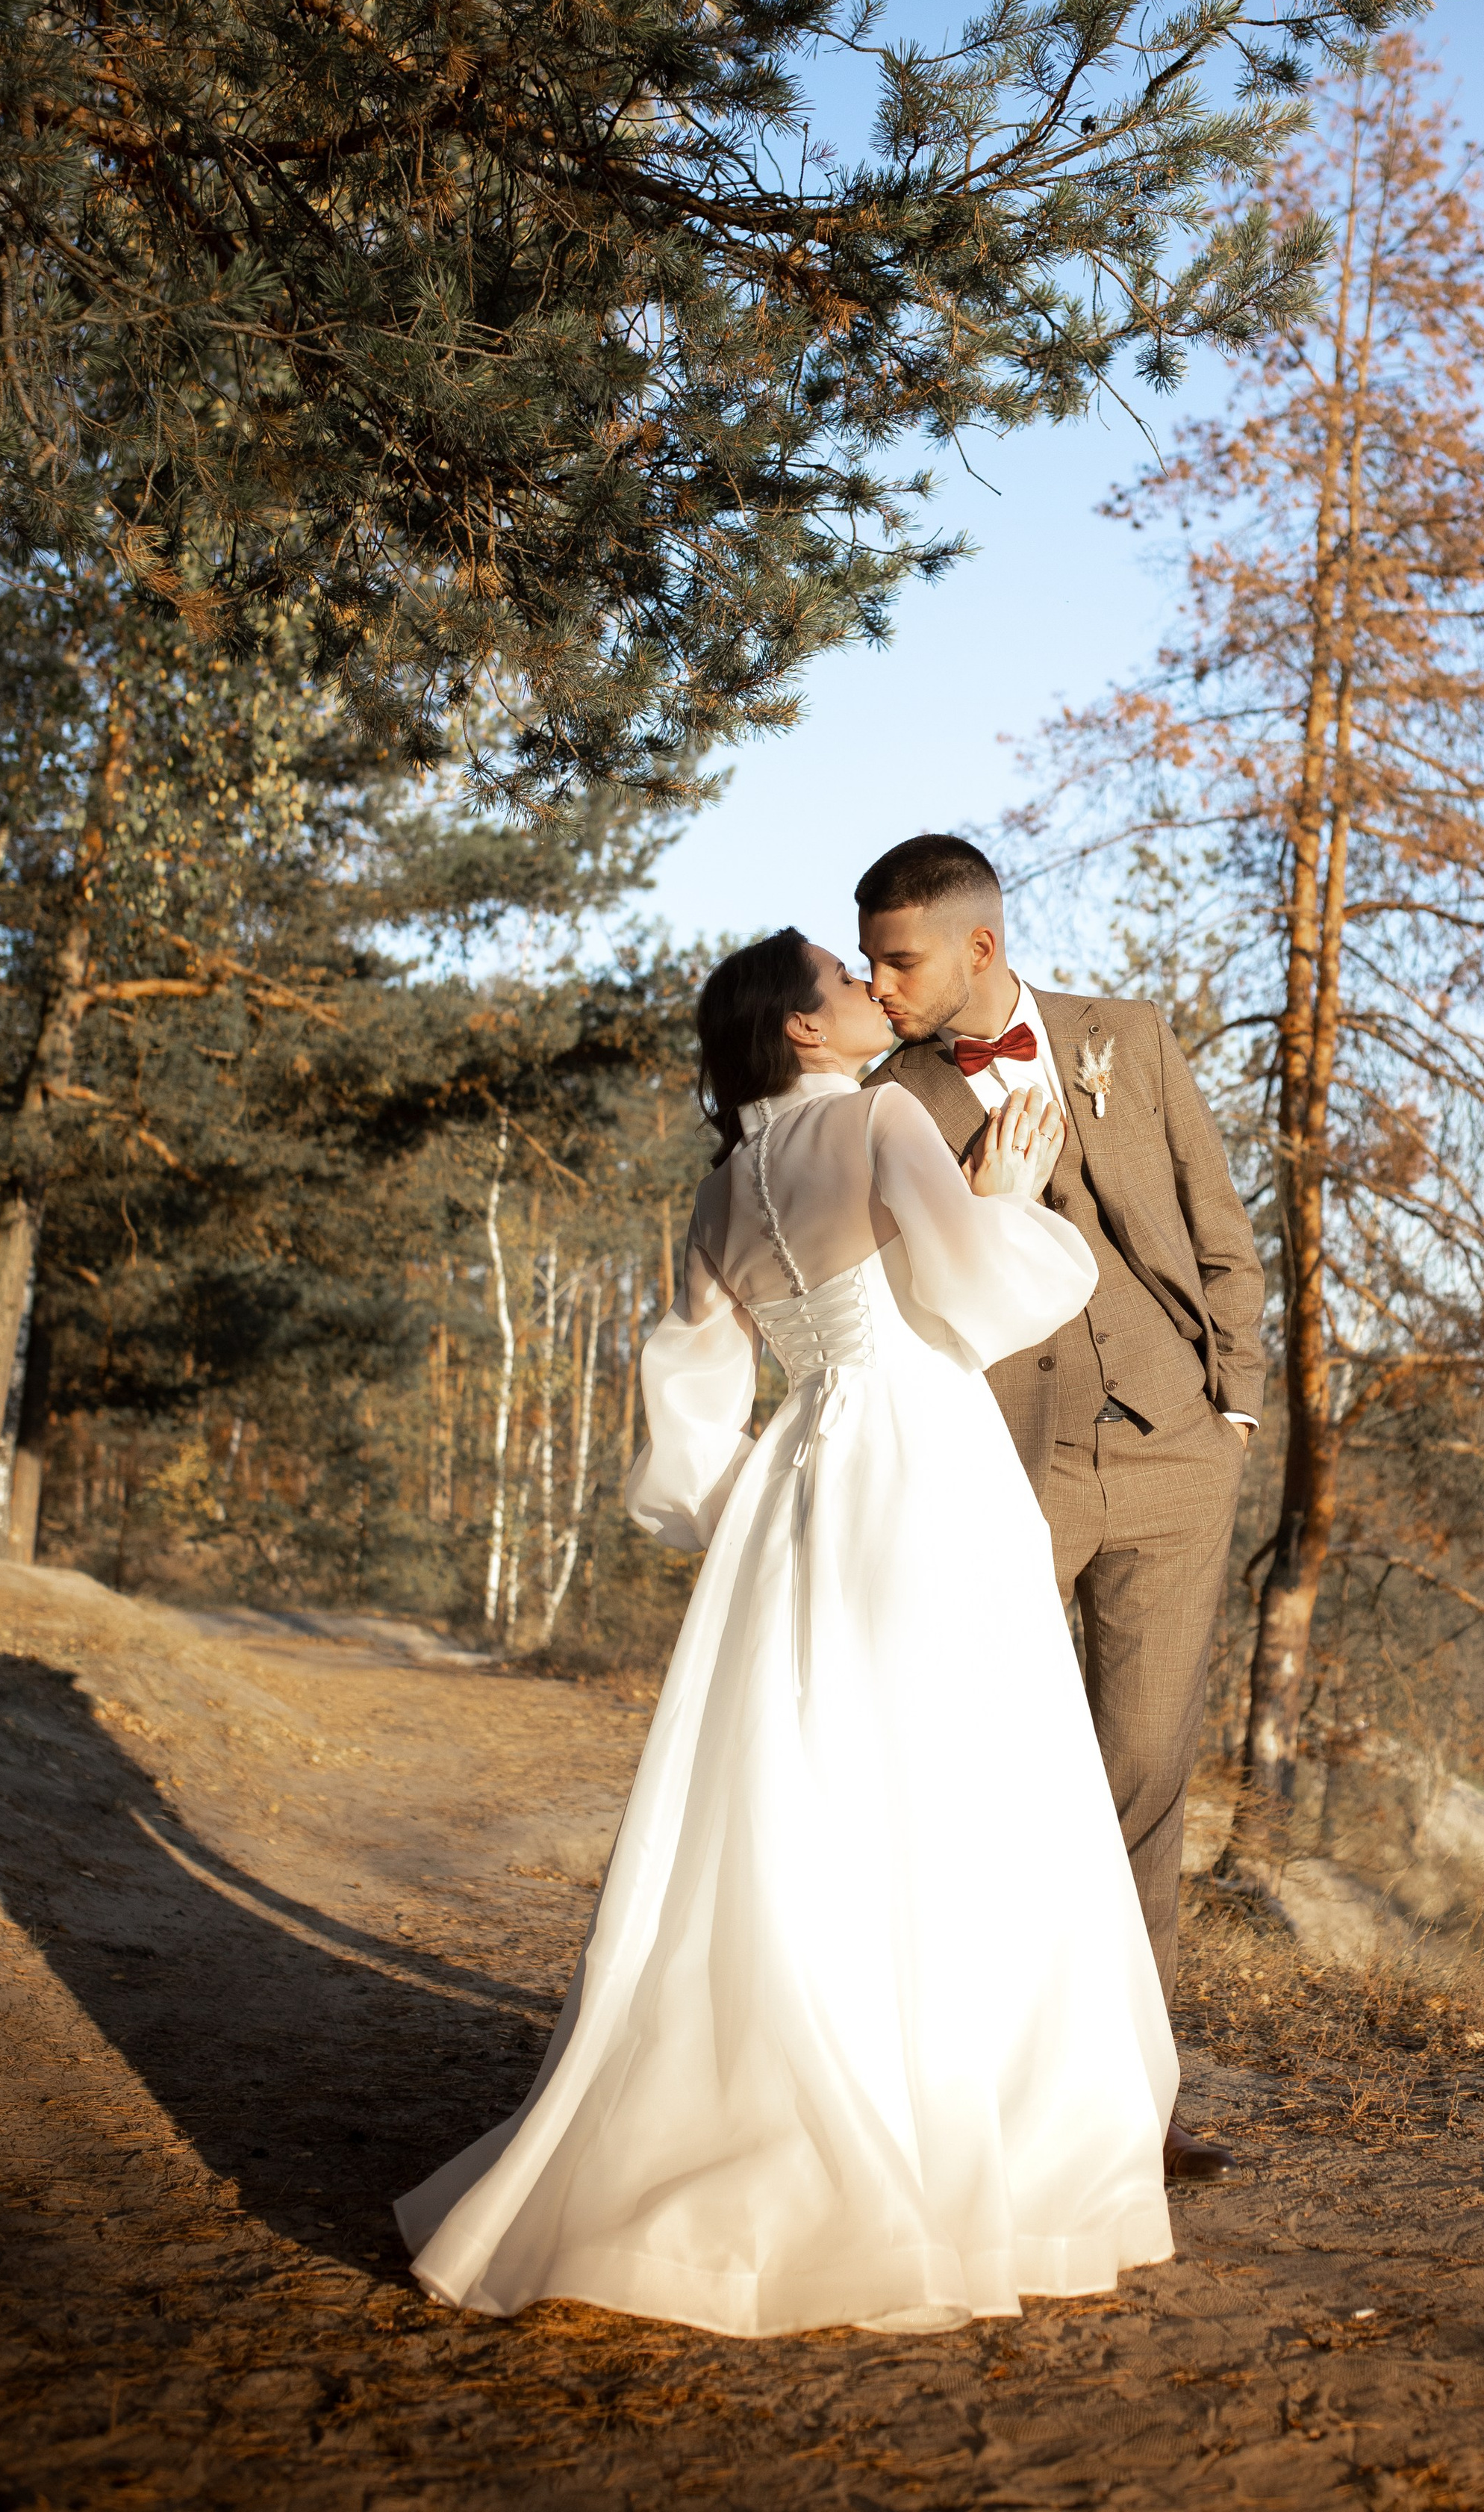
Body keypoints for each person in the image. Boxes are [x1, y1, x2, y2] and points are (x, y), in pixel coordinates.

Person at [395, 928, 1180, 2338]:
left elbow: (693, 1383)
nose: (876, 991)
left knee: (802, 1793)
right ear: (804, 1033)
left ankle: (804, 2091)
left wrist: (724, 1513)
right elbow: (974, 1300)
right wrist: (1005, 1196)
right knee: (954, 1778)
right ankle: (973, 2131)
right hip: (919, 1458)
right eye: (846, 978)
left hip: (799, 1482)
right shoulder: (883, 1119)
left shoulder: (715, 1190)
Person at [857, 836, 1265, 2180]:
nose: (881, 981)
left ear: (980, 947)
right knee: (983, 1774)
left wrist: (1237, 1410)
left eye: (899, 956)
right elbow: (903, 1299)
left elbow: (1218, 1220)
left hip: (1173, 1459)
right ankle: (970, 2091)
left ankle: (1126, 2111)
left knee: (1142, 1781)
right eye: (868, 958)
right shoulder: (893, 1098)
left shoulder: (1127, 1037)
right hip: (1004, 1466)